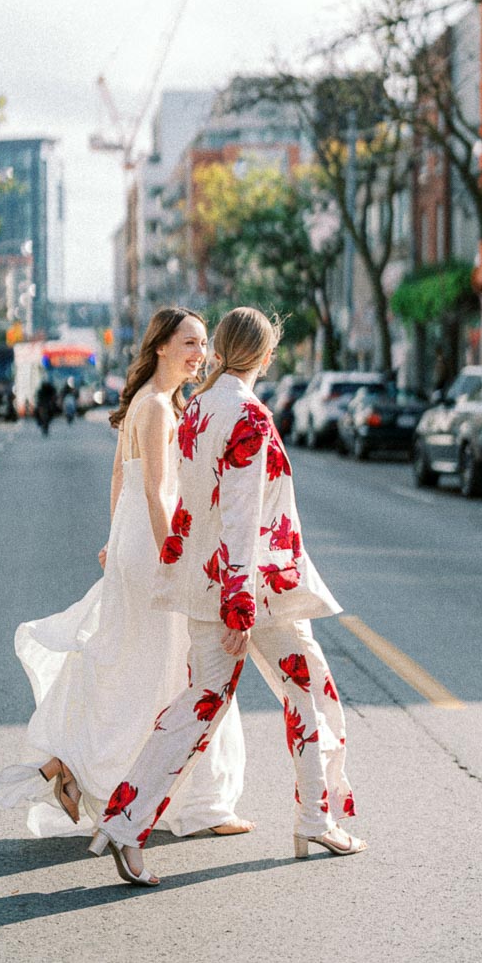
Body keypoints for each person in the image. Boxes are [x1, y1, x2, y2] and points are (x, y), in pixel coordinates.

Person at [88, 306, 366, 887]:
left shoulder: (198, 410)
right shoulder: (246, 415)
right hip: (253, 592)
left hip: (212, 584)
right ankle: (316, 816)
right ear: (266, 356)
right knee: (308, 689)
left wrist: (198, 581)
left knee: (200, 704)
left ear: (218, 350)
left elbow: (192, 505)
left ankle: (124, 821)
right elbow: (241, 517)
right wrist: (238, 605)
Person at [0, 307, 250, 840]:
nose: (201, 355)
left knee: (135, 664)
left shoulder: (151, 404)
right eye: (191, 344)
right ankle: (199, 802)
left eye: (203, 345)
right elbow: (156, 492)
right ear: (161, 347)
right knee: (178, 672)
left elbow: (120, 479)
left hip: (137, 541)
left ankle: (72, 767)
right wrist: (171, 560)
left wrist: (116, 538)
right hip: (155, 547)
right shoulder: (155, 407)